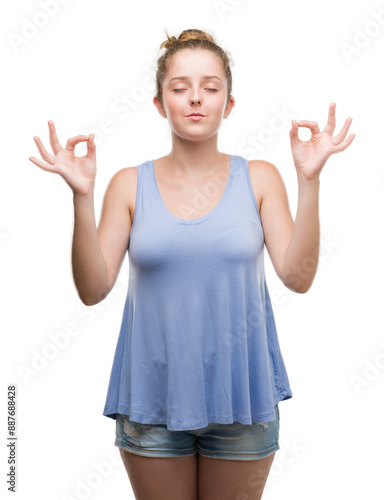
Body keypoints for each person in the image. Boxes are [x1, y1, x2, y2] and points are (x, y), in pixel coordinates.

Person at [29, 28, 355, 500]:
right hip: (152, 402)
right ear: (160, 104)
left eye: (211, 87)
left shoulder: (260, 178)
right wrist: (82, 198)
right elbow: (92, 289)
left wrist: (310, 183)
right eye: (180, 88)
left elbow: (298, 278)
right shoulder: (127, 184)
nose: (196, 98)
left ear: (230, 103)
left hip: (243, 400)